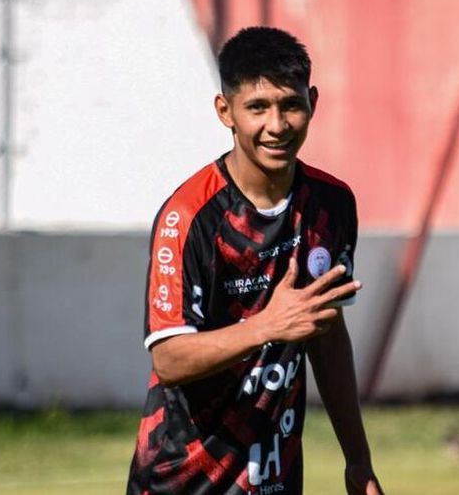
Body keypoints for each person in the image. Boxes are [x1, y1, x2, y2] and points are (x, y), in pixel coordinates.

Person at [127, 26, 384, 495]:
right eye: (258, 107)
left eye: (290, 104)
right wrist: (267, 326)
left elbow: (325, 338)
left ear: (313, 102)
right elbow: (169, 358)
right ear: (225, 111)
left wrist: (359, 461)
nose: (277, 125)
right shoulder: (189, 217)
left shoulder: (331, 204)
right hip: (183, 480)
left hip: (275, 476)